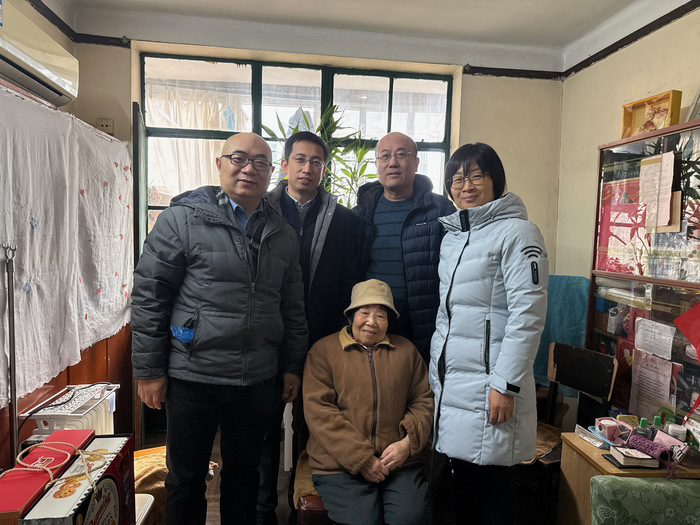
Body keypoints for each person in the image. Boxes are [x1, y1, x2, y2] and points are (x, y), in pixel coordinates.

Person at [131, 132, 308, 525]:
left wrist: (292, 366)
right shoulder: (181, 220)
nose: (248, 169)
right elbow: (149, 296)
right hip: (193, 374)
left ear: (271, 172)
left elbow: (293, 307)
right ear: (219, 164)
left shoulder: (282, 233)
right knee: (186, 478)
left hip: (256, 377)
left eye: (260, 162)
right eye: (238, 158)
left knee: (245, 476)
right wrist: (149, 370)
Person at [429, 142, 549, 524]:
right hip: (454, 383)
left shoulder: (519, 233)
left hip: (490, 384)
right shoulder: (453, 237)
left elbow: (528, 314)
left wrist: (505, 384)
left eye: (476, 176)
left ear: (495, 180)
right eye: (457, 179)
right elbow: (450, 316)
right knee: (464, 482)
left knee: (494, 486)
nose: (466, 186)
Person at [258, 131, 362, 524]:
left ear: (324, 169)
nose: (307, 168)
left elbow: (350, 285)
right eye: (300, 160)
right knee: (264, 429)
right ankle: (264, 508)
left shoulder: (346, 222)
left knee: (316, 427)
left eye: (316, 161)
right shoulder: (259, 212)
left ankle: (308, 503)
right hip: (267, 339)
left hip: (322, 343)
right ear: (284, 165)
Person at [303, 279, 434, 525]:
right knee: (362, 521)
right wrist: (362, 459)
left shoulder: (406, 351)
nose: (372, 322)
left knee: (411, 519)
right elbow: (320, 412)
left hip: (398, 463)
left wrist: (407, 444)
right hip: (339, 466)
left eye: (381, 315)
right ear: (351, 315)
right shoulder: (323, 352)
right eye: (364, 312)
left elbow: (423, 400)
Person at [354, 132, 455, 362]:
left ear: (416, 162)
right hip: (372, 323)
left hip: (423, 325)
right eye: (385, 156)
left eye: (401, 155)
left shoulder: (441, 210)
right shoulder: (361, 212)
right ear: (377, 164)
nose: (393, 163)